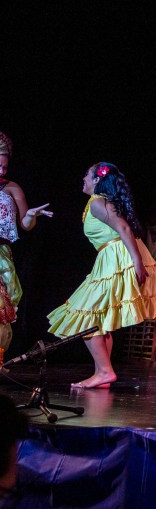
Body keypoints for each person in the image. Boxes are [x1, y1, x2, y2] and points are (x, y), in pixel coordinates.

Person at [47, 163, 156, 389]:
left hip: (120, 258)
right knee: (99, 320)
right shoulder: (98, 202)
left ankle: (105, 371)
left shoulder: (98, 202)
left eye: (87, 175)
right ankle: (102, 372)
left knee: (85, 315)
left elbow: (124, 229)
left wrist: (136, 262)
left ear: (97, 180)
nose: (83, 178)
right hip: (113, 258)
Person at [0, 131, 53, 353]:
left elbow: (25, 224)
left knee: (2, 306)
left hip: (2, 253)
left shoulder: (12, 188)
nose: (2, 171)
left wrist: (30, 215)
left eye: (4, 167)